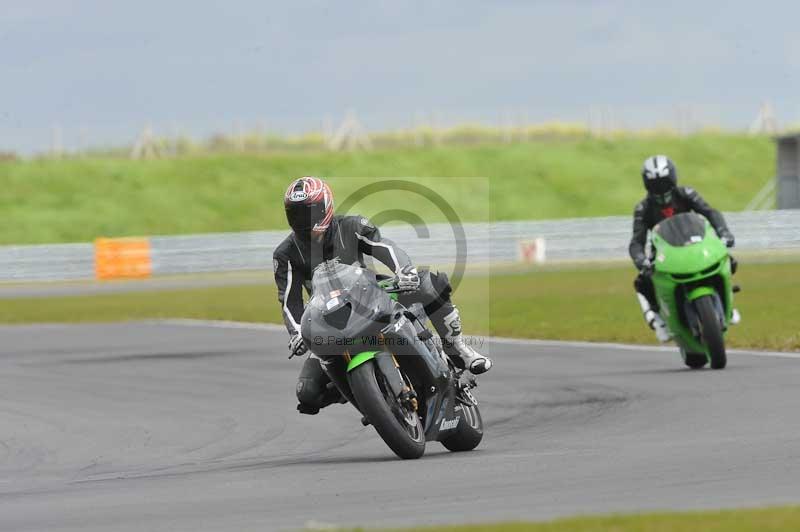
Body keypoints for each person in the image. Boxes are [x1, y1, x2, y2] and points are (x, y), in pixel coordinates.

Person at [273, 176, 492, 415]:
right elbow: (289, 300)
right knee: (308, 392)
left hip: (371, 296)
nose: (303, 220)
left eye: (310, 212)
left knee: (429, 284)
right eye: (296, 214)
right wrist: (296, 332)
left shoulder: (352, 226)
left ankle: (457, 349)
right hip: (330, 319)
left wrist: (404, 271)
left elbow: (385, 248)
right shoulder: (285, 254)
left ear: (326, 207)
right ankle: (370, 396)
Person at [629, 155, 736, 342]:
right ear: (647, 185)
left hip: (696, 246)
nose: (661, 189)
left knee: (729, 261)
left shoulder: (687, 194)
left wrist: (723, 232)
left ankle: (728, 303)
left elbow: (710, 212)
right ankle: (658, 319)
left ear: (673, 178)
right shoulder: (643, 208)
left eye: (664, 182)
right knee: (642, 282)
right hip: (663, 255)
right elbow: (636, 241)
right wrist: (641, 260)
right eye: (655, 185)